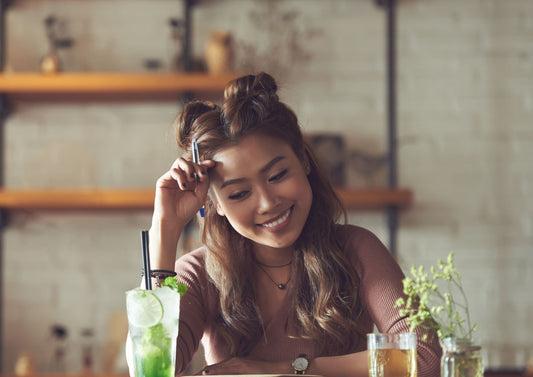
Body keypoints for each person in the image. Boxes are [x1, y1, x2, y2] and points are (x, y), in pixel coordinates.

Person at [135, 72, 441, 377]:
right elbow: (149, 372)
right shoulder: (200, 274)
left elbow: (424, 357)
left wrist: (290, 368)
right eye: (240, 193)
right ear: (214, 206)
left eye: (278, 175)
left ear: (304, 161)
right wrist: (165, 228)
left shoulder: (356, 249)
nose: (268, 203)